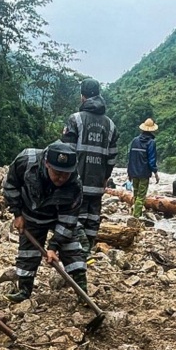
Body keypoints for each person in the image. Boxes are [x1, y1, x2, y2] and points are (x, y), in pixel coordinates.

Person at [3, 141, 86, 302]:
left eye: (65, 174)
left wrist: (53, 246)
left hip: (58, 217)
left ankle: (82, 291)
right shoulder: (26, 161)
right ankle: (24, 291)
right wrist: (17, 213)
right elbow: (10, 185)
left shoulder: (75, 184)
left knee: (72, 249)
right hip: (30, 214)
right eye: (57, 173)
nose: (61, 178)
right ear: (47, 163)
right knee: (27, 254)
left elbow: (69, 220)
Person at [61, 78, 118, 258]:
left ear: (82, 97)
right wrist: (104, 177)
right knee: (92, 220)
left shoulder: (75, 119)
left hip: (75, 183)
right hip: (97, 184)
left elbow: (65, 153)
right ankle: (86, 255)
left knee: (74, 219)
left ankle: (75, 256)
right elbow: (112, 157)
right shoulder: (110, 125)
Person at [127, 118, 159, 218]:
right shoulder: (151, 142)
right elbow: (151, 160)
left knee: (135, 194)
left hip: (134, 172)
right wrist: (155, 172)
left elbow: (130, 157)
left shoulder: (135, 140)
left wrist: (129, 172)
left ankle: (135, 213)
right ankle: (136, 217)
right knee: (141, 196)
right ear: (152, 130)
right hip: (144, 173)